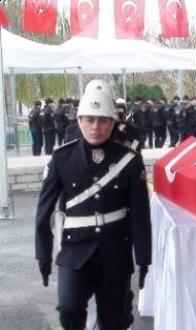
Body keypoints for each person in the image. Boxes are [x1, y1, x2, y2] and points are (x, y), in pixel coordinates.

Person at [34, 88, 151, 330]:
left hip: (115, 250)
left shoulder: (128, 159)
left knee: (114, 320)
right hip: (75, 248)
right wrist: (43, 253)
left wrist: (143, 259)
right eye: (89, 119)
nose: (95, 126)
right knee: (69, 309)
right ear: (79, 121)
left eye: (102, 120)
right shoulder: (61, 159)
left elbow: (140, 213)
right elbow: (43, 212)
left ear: (113, 122)